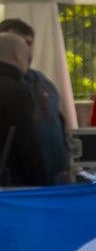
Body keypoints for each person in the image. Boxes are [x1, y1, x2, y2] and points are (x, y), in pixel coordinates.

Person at [0, 18, 71, 183]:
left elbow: (58, 125)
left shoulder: (44, 84)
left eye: (29, 43)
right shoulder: (13, 89)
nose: (27, 50)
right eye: (21, 42)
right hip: (19, 186)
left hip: (55, 180)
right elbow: (26, 144)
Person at [0, 33, 52, 187]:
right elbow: (27, 145)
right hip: (12, 186)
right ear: (16, 56)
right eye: (27, 56)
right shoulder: (16, 91)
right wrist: (45, 184)